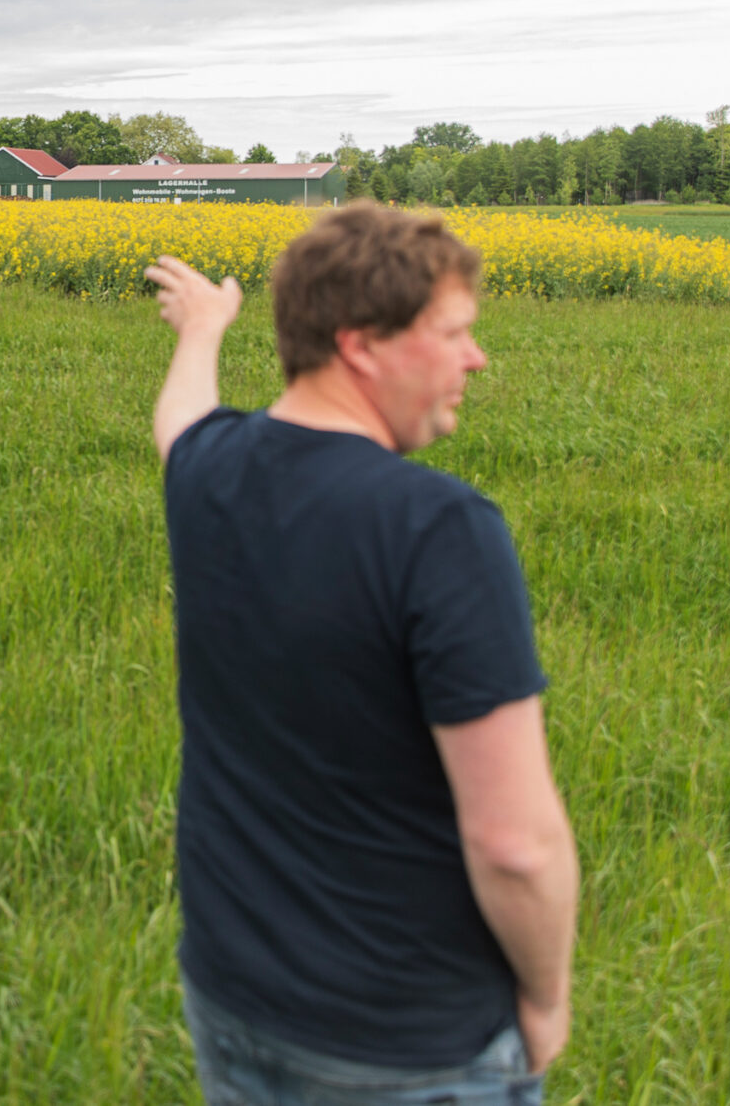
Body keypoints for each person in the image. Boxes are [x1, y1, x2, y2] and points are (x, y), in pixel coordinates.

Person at [146, 203, 577, 1106]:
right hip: (406, 1044)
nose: (477, 357)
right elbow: (514, 843)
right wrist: (546, 996)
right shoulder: (441, 531)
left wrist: (204, 328)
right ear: (362, 344)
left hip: (235, 999)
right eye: (456, 333)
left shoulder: (208, 473)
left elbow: (180, 418)